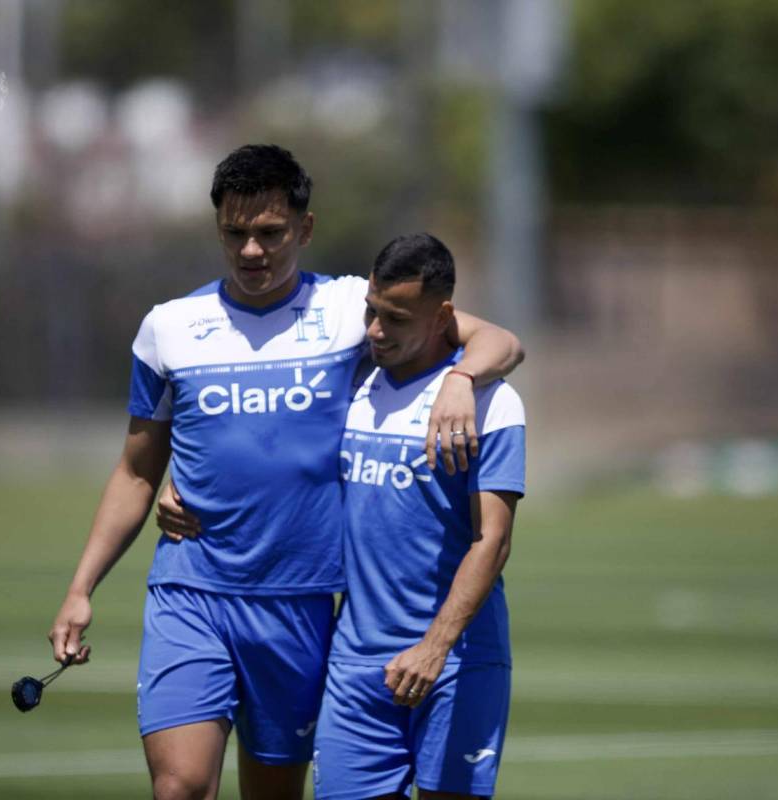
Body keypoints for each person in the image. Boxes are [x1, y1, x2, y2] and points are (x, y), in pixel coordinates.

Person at [47, 145, 523, 800]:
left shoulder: (353, 308)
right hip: (192, 590)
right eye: (234, 233)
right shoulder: (169, 327)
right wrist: (81, 588)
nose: (251, 250)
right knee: (180, 786)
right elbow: (135, 473)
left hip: (301, 603)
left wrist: (462, 378)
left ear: (305, 228)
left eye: (270, 233)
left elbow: (500, 340)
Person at [312, 233, 525, 800]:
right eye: (372, 312)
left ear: (443, 317)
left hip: (456, 663)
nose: (376, 331)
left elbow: (492, 540)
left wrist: (435, 646)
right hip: (355, 667)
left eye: (397, 319)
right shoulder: (354, 383)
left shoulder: (491, 402)